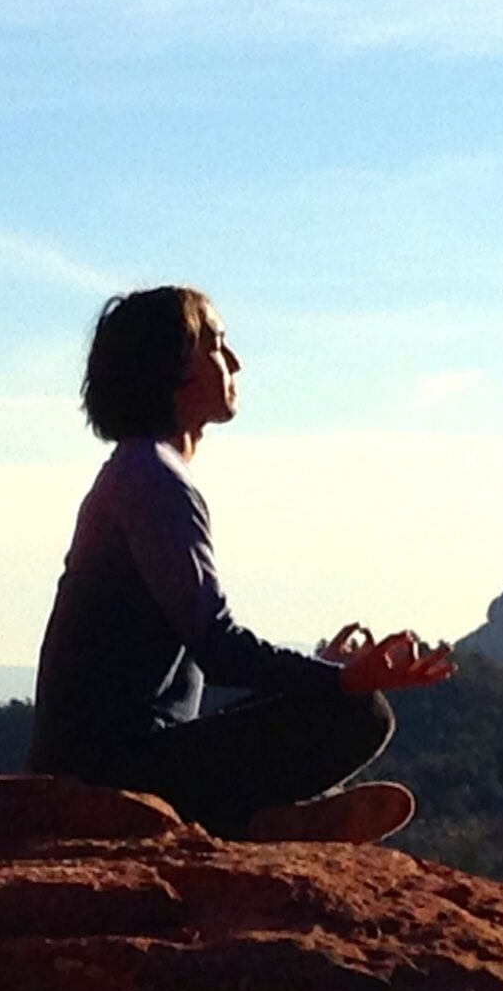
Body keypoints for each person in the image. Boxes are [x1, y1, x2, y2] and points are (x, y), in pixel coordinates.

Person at [26, 285, 455, 842]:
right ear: (173, 366)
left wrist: (315, 675)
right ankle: (252, 824)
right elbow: (220, 648)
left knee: (328, 697)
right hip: (110, 774)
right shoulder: (150, 480)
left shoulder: (139, 472)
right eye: (217, 344)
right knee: (359, 714)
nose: (235, 362)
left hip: (113, 758)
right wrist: (342, 679)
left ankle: (262, 820)